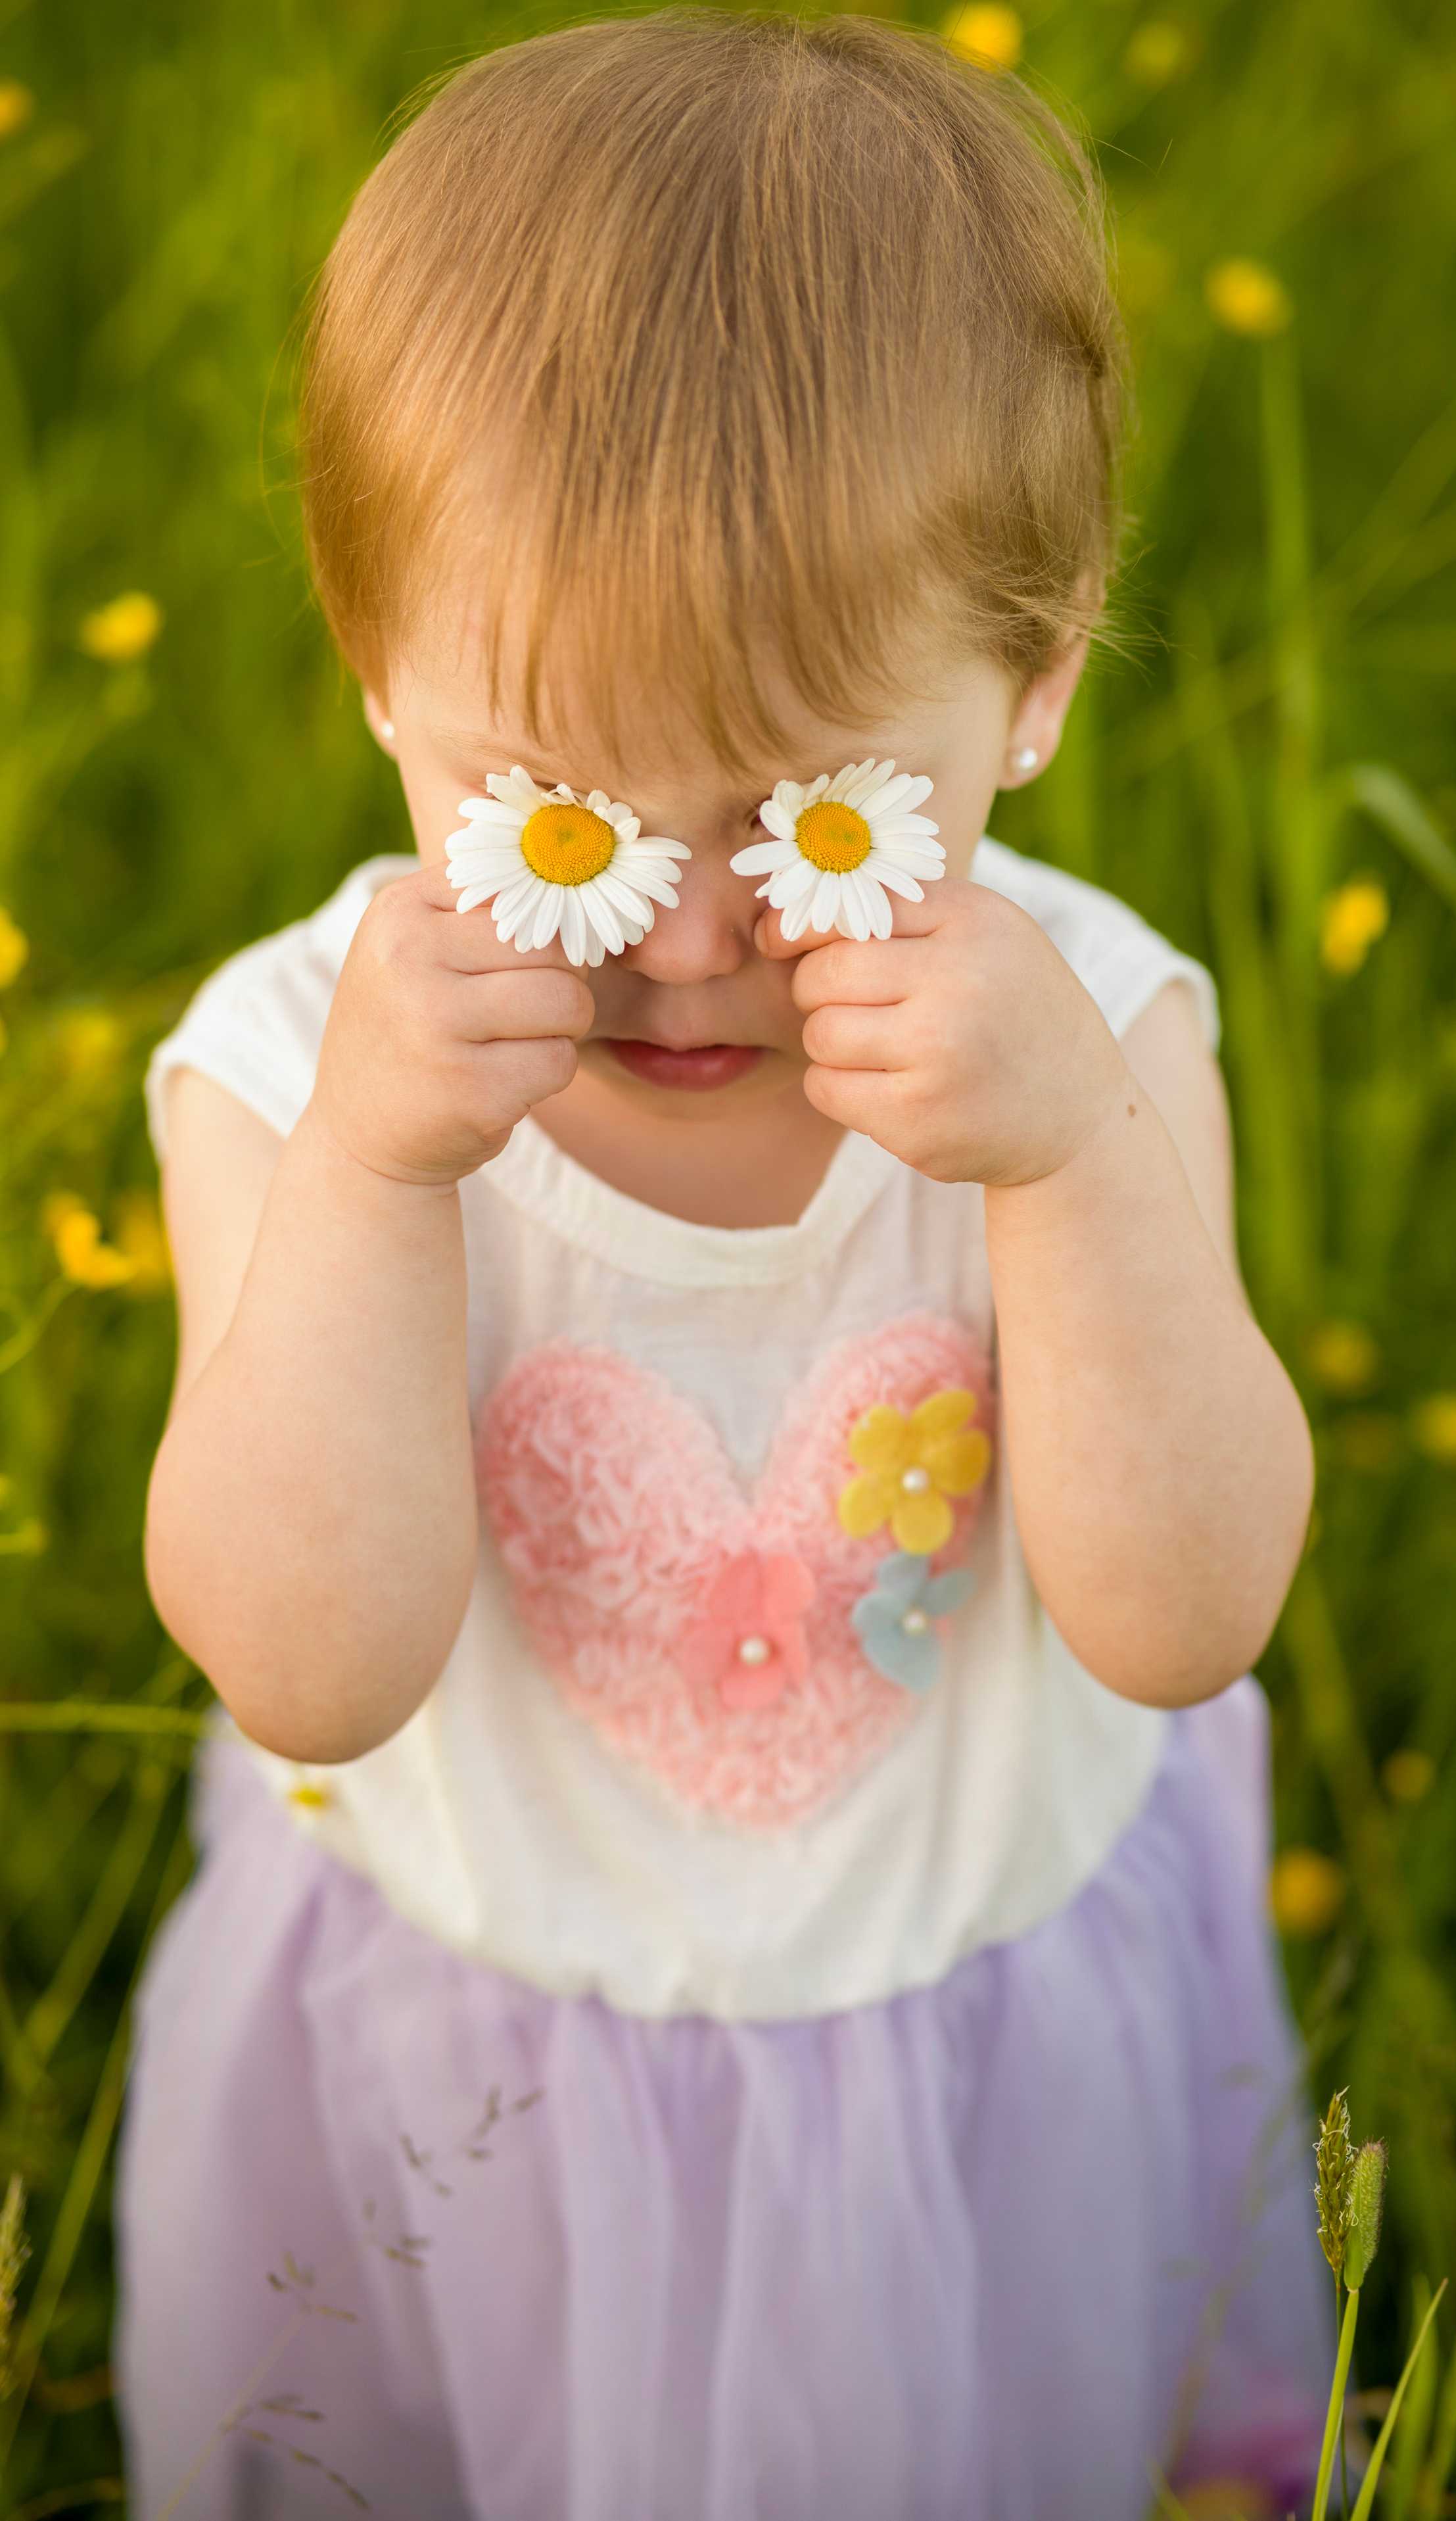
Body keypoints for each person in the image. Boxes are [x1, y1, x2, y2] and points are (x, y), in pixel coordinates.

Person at [118, 15, 1331, 2516]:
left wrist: (1081, 1168)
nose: (680, 936)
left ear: (1033, 685)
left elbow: (1181, 1614)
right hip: (474, 2048)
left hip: (954, 2050)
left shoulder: (1090, 1043)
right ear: (373, 673)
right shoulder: (287, 1079)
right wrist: (367, 1188)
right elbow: (303, 1660)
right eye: (545, 817)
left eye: (812, 817)